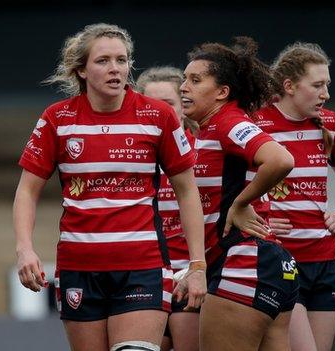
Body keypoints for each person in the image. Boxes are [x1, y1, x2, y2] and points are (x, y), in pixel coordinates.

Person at [13, 23, 206, 351]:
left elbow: (188, 191)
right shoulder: (57, 119)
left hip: (142, 265)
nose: (115, 68)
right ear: (82, 70)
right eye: (103, 61)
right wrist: (24, 248)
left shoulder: (157, 115)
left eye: (122, 59)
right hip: (78, 268)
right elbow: (27, 192)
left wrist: (197, 265)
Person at [178, 37, 298, 351]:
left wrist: (241, 203)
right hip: (267, 264)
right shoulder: (211, 129)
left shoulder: (227, 122)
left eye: (195, 80)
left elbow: (281, 159)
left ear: (222, 92)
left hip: (244, 261)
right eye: (184, 79)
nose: (183, 87)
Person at [255, 42, 335, 351]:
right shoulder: (256, 124)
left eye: (327, 84)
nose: (326, 93)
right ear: (289, 86)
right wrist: (260, 217)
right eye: (317, 85)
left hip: (325, 260)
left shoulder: (328, 122)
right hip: (282, 259)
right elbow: (233, 184)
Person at [136, 66, 199, 351]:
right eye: (152, 105)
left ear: (183, 108)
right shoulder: (132, 155)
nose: (160, 112)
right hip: (147, 274)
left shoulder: (206, 149)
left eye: (169, 104)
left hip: (193, 274)